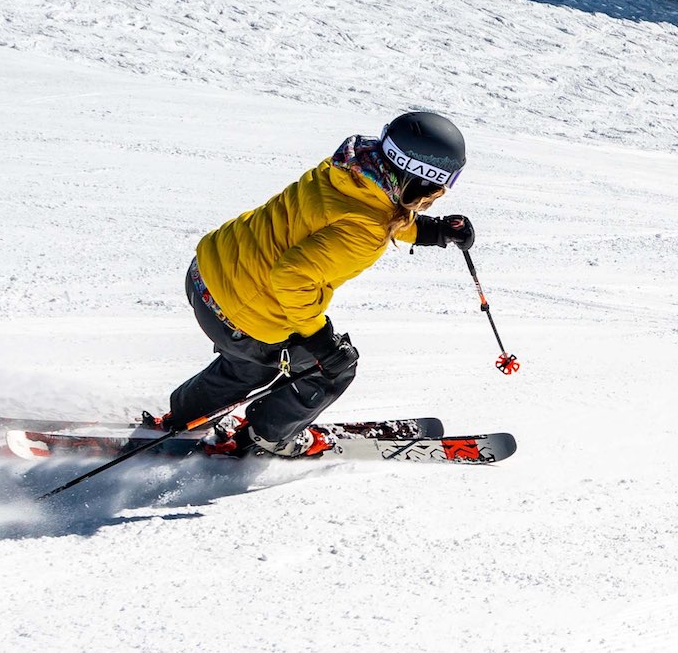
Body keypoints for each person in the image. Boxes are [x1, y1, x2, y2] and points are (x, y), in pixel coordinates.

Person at [159, 111, 476, 458]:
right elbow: (293, 278)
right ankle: (269, 437)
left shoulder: (348, 169)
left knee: (250, 362)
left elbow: (357, 213)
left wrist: (432, 231)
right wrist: (321, 341)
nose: (440, 193)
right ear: (420, 179)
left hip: (208, 277)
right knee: (331, 369)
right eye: (443, 184)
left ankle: (186, 416)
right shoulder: (367, 230)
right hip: (242, 313)